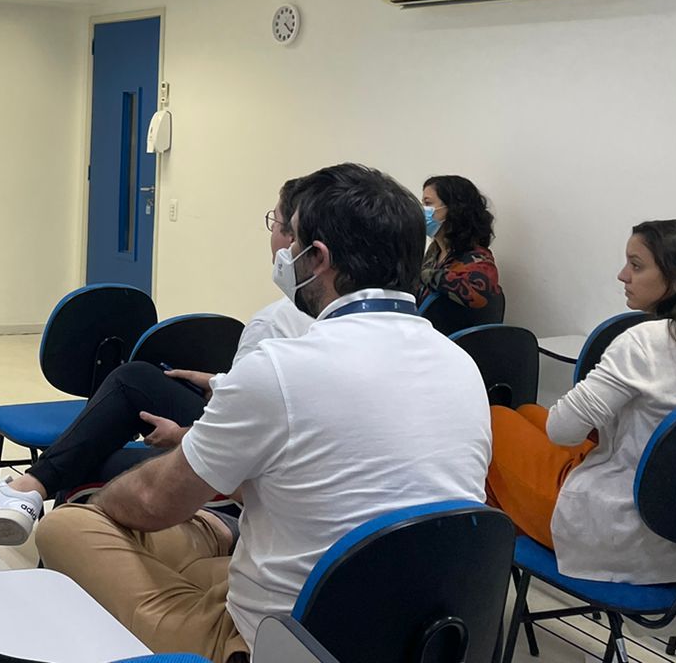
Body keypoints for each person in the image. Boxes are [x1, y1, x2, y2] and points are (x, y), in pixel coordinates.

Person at [35, 163, 492, 662]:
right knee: (189, 554)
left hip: (282, 643)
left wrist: (102, 506)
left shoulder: (282, 366)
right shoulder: (462, 366)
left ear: (316, 258)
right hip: (411, 634)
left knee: (67, 528)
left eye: (287, 235)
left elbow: (152, 501)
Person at [0, 178, 315, 545]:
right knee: (142, 381)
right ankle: (28, 489)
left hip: (251, 474)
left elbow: (236, 433)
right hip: (278, 450)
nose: (271, 235)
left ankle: (31, 495)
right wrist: (220, 383)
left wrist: (180, 436)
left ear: (294, 244)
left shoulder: (275, 320)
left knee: (125, 396)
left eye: (273, 223)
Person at [486, 220, 676, 584]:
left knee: (496, 417)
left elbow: (562, 431)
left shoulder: (645, 341)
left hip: (622, 533)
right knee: (531, 413)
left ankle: (489, 568)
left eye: (636, 265)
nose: (622, 275)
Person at [419, 174, 501, 310]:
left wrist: (422, 274)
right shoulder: (434, 252)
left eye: (428, 203)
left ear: (453, 208)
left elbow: (477, 295)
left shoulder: (479, 258)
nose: (422, 210)